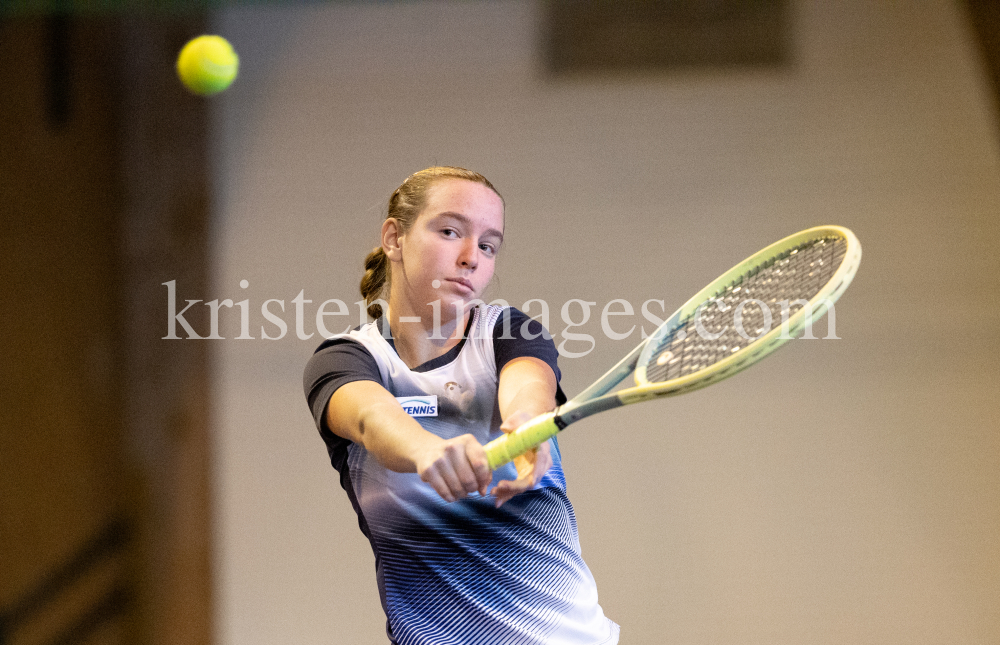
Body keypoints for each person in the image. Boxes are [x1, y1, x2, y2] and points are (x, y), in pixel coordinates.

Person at [303, 166, 619, 644]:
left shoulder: (510, 333)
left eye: (489, 245)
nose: (472, 257)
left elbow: (529, 389)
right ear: (394, 237)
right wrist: (426, 450)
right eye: (450, 231)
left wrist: (526, 426)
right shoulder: (346, 360)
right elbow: (371, 418)